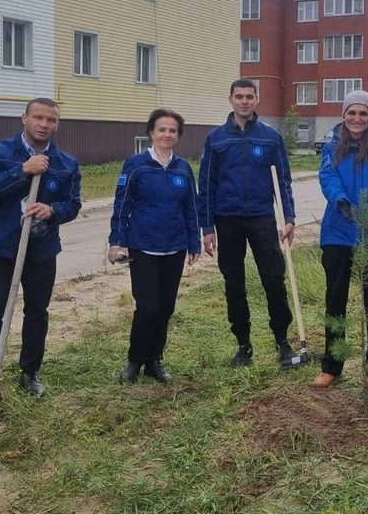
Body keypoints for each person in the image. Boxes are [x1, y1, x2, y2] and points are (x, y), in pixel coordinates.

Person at [0, 98, 82, 428]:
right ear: (25, 118)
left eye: (51, 119)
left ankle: (30, 373)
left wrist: (52, 211)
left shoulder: (65, 162)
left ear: (57, 125)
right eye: (38, 117)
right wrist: (22, 171)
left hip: (41, 251)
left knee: (36, 312)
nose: (44, 124)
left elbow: (72, 204)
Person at [197, 79, 297, 367]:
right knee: (234, 283)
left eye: (249, 96)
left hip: (262, 218)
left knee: (273, 279)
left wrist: (289, 218)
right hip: (226, 219)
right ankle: (243, 345)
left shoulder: (270, 137)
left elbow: (284, 182)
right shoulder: (216, 138)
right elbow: (206, 185)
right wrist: (207, 228)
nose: (244, 101)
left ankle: (283, 341)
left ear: (256, 100)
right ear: (230, 99)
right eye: (239, 96)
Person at [312, 90, 368, 391]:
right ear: (344, 115)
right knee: (334, 301)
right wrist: (342, 201)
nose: (357, 119)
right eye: (352, 113)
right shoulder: (331, 147)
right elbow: (328, 178)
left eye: (363, 113)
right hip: (338, 230)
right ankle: (332, 366)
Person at [107, 109, 200, 384]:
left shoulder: (183, 168)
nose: (167, 134)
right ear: (151, 133)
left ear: (178, 135)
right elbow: (121, 206)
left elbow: (190, 208)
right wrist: (116, 241)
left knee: (166, 307)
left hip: (175, 247)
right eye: (162, 129)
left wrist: (193, 241)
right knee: (147, 306)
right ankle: (135, 361)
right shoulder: (135, 165)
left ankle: (154, 361)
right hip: (143, 247)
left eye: (172, 130)